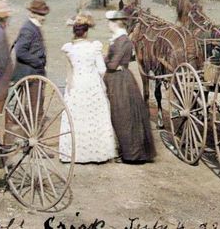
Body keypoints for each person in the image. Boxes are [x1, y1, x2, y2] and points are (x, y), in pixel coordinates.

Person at [59, 13, 117, 163]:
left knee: (76, 116)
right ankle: (96, 153)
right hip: (91, 84)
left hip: (76, 83)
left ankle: (74, 153)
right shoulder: (94, 47)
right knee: (93, 115)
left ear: (75, 32)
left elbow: (69, 71)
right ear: (86, 32)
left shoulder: (69, 49)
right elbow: (102, 69)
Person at [103, 10, 156, 163]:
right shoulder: (118, 39)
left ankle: (130, 155)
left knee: (123, 117)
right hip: (117, 78)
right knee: (120, 115)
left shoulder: (123, 40)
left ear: (116, 23)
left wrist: (103, 58)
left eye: (110, 22)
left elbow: (112, 64)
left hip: (120, 81)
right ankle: (125, 151)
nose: (108, 25)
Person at [11, 0, 50, 82]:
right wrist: (38, 62)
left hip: (35, 73)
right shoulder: (28, 29)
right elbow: (20, 52)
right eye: (41, 15)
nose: (43, 18)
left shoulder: (34, 27)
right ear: (32, 14)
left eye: (44, 15)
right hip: (29, 75)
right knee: (35, 95)